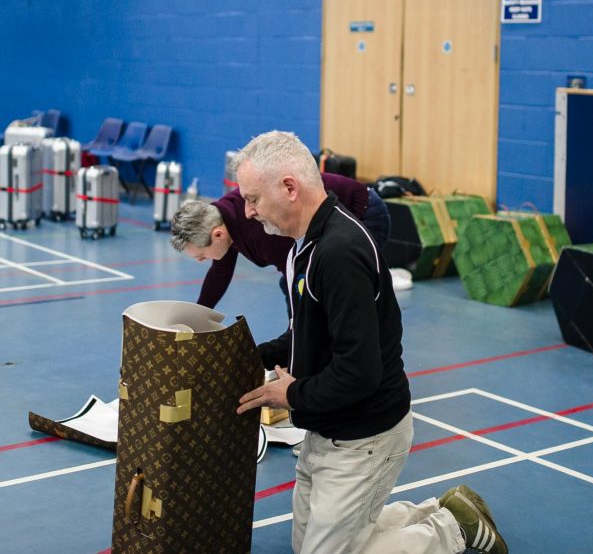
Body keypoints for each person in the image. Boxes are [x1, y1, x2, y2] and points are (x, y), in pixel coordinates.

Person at [231, 131, 507, 554]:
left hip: (365, 435)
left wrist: (293, 394)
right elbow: (304, 335)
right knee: (309, 544)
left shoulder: (338, 253)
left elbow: (359, 372)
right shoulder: (302, 247)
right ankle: (444, 510)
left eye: (253, 199)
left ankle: (452, 531)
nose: (248, 212)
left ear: (289, 188)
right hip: (328, 428)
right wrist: (242, 356)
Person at [170, 173, 390, 310]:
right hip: (336, 215)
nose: (201, 260)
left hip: (363, 211)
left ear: (217, 235)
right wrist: (197, 318)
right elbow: (220, 273)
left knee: (336, 291)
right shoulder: (222, 217)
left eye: (201, 255)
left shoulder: (260, 231)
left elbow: (298, 280)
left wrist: (296, 345)